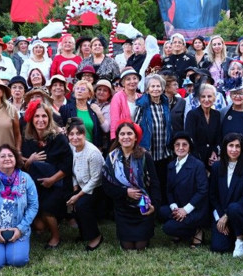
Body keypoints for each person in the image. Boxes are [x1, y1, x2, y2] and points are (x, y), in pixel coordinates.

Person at [21, 100, 73, 249]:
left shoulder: (58, 138)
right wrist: (29, 161)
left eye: (44, 116)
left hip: (57, 182)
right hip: (36, 184)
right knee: (39, 226)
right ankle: (42, 223)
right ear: (31, 119)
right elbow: (25, 168)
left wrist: (52, 180)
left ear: (49, 119)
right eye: (37, 116)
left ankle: (56, 236)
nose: (40, 120)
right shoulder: (28, 139)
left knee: (46, 208)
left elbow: (68, 164)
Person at [102, 120, 161, 251]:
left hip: (143, 207)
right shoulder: (111, 158)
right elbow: (107, 186)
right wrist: (125, 192)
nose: (126, 137)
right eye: (122, 134)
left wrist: (154, 206)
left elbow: (155, 183)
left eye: (129, 133)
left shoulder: (145, 156)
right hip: (123, 208)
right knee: (127, 247)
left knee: (140, 247)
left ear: (136, 137)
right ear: (118, 137)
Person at [208, 133, 243, 256]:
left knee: (234, 208)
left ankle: (240, 240)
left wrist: (227, 215)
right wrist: (220, 217)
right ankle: (231, 235)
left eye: (237, 146)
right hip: (220, 213)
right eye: (231, 146)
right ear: (225, 147)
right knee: (219, 247)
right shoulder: (217, 167)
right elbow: (212, 195)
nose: (234, 150)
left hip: (239, 212)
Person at [160, 132, 209, 248]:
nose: (180, 147)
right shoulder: (171, 166)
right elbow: (169, 190)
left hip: (195, 208)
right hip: (178, 207)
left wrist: (185, 210)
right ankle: (182, 227)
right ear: (173, 147)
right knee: (162, 211)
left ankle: (196, 231)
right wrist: (174, 207)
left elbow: (203, 191)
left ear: (189, 147)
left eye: (184, 144)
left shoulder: (198, 165)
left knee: (168, 228)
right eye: (177, 144)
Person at [66, 119, 105, 251]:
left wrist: (78, 196)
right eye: (71, 134)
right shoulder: (71, 147)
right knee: (72, 202)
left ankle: (96, 236)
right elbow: (72, 170)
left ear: (85, 135)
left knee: (82, 205)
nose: (75, 137)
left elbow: (96, 179)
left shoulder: (92, 153)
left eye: (79, 134)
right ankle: (84, 234)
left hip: (96, 187)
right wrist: (75, 188)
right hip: (81, 185)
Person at [133, 74, 172, 190]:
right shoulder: (142, 105)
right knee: (151, 183)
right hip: (149, 150)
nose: (155, 89)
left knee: (163, 181)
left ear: (162, 88)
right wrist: (139, 146)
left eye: (158, 86)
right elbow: (136, 127)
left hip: (164, 151)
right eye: (152, 86)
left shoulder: (165, 104)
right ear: (147, 89)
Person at [185, 83, 222, 167]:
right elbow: (190, 140)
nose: (206, 99)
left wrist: (215, 152)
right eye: (203, 96)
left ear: (214, 98)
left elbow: (219, 138)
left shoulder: (217, 115)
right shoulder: (192, 115)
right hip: (196, 160)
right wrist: (201, 164)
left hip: (213, 160)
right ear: (199, 98)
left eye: (209, 96)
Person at [60, 80, 104, 148]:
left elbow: (97, 133)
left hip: (90, 148)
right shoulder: (65, 109)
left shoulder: (93, 110)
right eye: (77, 88)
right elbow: (62, 128)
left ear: (89, 94)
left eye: (83, 89)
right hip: (71, 149)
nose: (79, 91)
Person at [110, 68, 142, 138]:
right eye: (128, 79)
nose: (132, 81)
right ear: (123, 83)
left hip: (139, 137)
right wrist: (115, 138)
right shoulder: (117, 97)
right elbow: (114, 121)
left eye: (134, 78)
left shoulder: (141, 97)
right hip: (124, 137)